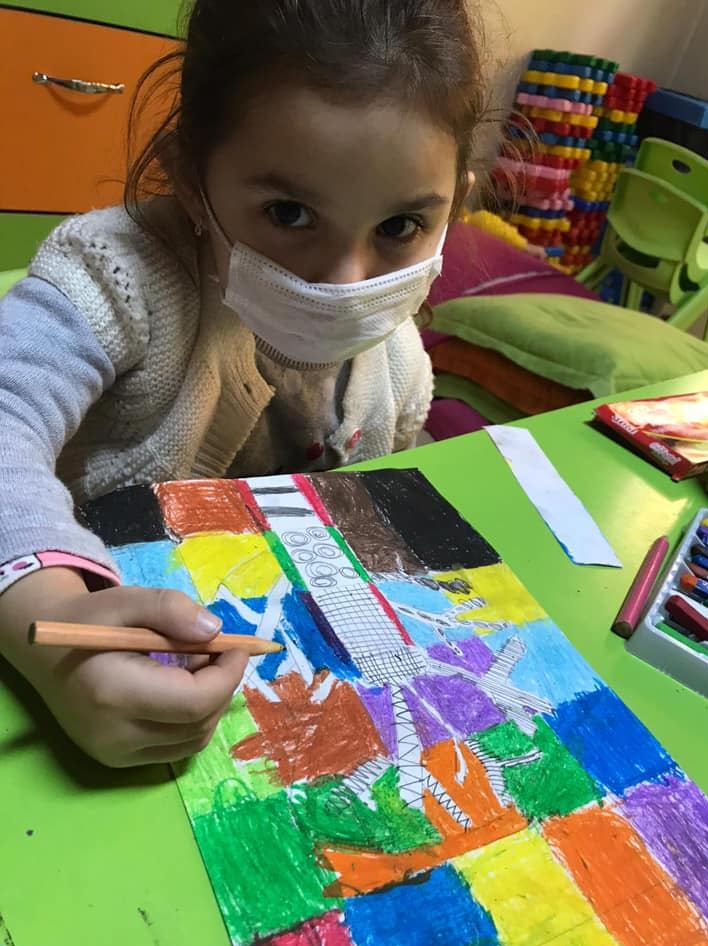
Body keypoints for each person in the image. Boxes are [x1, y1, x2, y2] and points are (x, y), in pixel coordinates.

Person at [0, 0, 488, 767]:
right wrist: (55, 637)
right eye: (289, 213)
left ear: (455, 204)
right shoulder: (115, 275)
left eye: (400, 228)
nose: (344, 280)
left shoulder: (401, 362)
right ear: (191, 180)